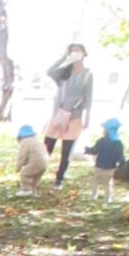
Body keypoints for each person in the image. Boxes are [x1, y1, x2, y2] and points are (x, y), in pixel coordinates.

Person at [43, 43, 93, 189]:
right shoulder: (65, 71)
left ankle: (59, 179)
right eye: (72, 50)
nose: (74, 52)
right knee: (47, 147)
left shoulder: (88, 74)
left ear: (84, 53)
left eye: (77, 50)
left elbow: (88, 97)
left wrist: (87, 118)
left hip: (74, 116)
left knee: (67, 151)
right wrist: (65, 57)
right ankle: (35, 174)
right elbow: (49, 71)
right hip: (58, 114)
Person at [84, 118, 125, 203]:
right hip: (110, 167)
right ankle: (108, 198)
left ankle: (94, 195)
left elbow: (95, 150)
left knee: (95, 181)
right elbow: (120, 156)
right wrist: (122, 164)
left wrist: (87, 150)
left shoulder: (101, 141)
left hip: (99, 166)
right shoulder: (119, 144)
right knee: (108, 183)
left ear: (106, 131)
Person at [15, 124, 50, 196]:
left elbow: (22, 156)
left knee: (24, 174)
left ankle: (26, 189)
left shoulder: (25, 143)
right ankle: (33, 191)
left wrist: (18, 167)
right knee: (35, 178)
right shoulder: (37, 142)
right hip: (45, 162)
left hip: (36, 162)